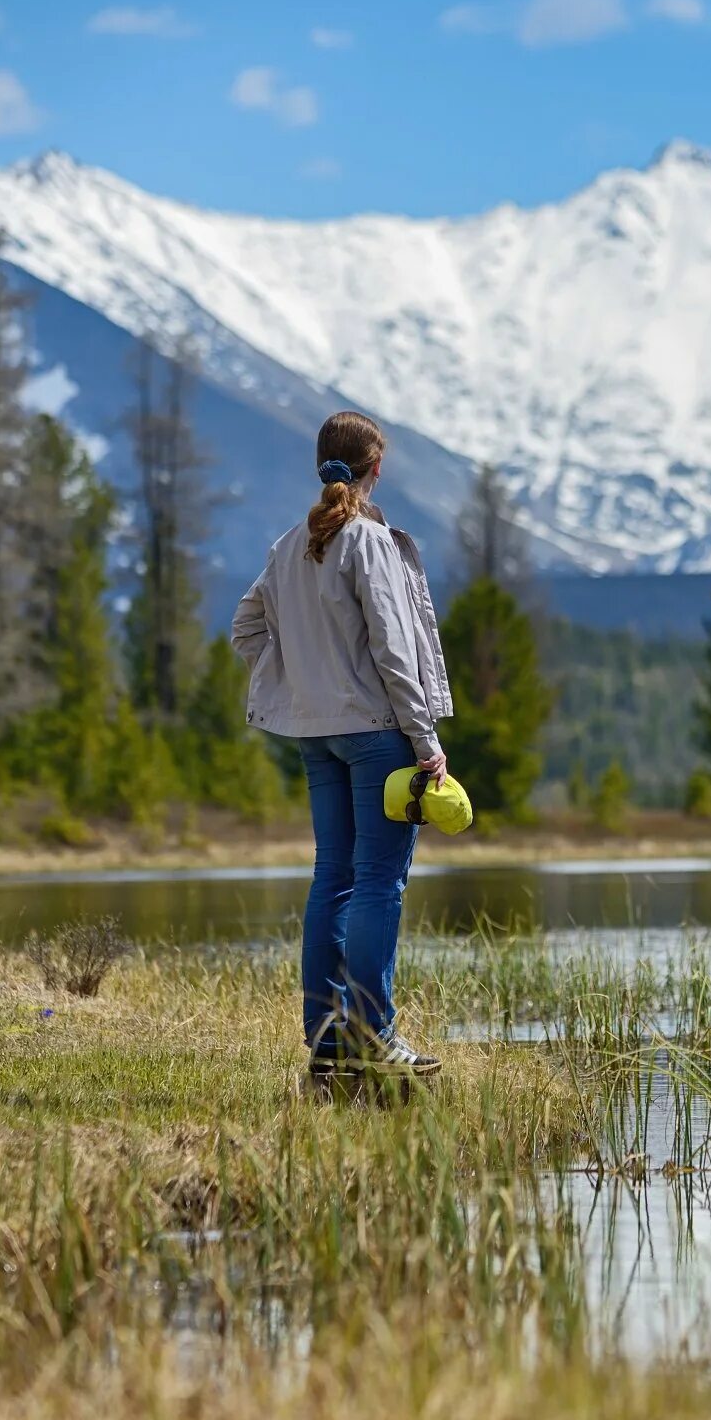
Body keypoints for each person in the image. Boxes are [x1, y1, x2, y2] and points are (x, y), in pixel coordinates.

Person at [230, 411, 453, 1078]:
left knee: (333, 878)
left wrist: (302, 685)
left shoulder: (288, 544)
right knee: (379, 885)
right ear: (375, 468)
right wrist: (426, 740)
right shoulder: (368, 542)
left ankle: (329, 1044)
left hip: (316, 735)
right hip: (377, 735)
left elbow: (246, 630)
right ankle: (375, 1035)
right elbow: (393, 649)